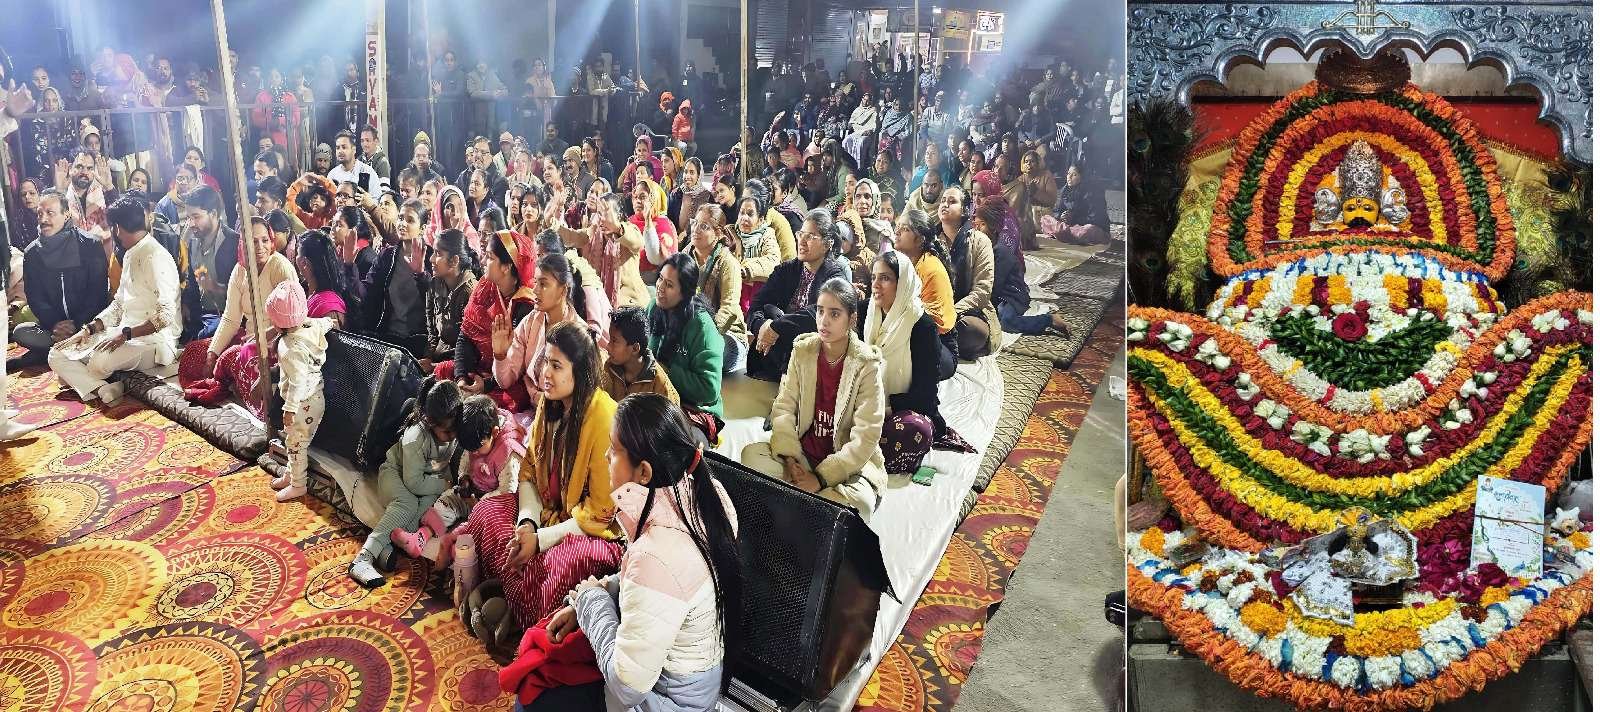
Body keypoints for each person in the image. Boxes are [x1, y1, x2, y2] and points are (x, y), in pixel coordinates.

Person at [532, 393, 742, 712]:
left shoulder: (657, 551)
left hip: (671, 701)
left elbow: (626, 688)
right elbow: (658, 586)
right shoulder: (701, 495)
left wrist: (592, 600)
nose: (606, 456)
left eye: (614, 449)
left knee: (536, 696)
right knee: (550, 662)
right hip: (691, 681)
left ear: (644, 472)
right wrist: (594, 596)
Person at [460, 321, 624, 627]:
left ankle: (518, 610)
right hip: (547, 516)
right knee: (485, 512)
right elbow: (530, 471)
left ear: (580, 372)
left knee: (560, 565)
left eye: (556, 366)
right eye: (546, 361)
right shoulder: (550, 404)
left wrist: (541, 540)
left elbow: (600, 512)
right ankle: (514, 599)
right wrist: (527, 524)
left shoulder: (605, 418)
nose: (545, 373)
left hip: (591, 533)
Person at [741, 278, 885, 515]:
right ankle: (810, 503)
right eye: (820, 311)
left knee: (861, 503)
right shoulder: (803, 350)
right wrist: (790, 459)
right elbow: (784, 407)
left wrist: (820, 478)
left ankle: (801, 499)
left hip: (845, 467)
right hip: (803, 455)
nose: (824, 321)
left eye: (834, 314)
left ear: (852, 319)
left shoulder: (866, 365)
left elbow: (866, 436)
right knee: (751, 457)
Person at [47, 195, 174, 404]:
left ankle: (83, 380)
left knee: (99, 362)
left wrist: (126, 334)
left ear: (117, 228)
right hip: (122, 334)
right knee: (57, 353)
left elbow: (166, 316)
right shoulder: (131, 253)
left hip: (154, 342)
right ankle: (103, 389)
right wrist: (89, 329)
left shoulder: (156, 256)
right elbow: (118, 305)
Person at [349, 376, 463, 587]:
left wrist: (442, 483)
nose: (452, 436)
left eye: (455, 430)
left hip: (424, 480)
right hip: (395, 474)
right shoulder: (415, 438)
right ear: (431, 422)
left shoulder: (451, 431)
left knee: (429, 504)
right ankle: (363, 559)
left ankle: (387, 548)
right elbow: (414, 483)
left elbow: (437, 471)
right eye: (447, 431)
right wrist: (444, 483)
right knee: (407, 504)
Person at [183, 215, 296, 415]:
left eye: (264, 240)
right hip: (248, 338)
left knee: (232, 356)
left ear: (271, 240)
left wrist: (262, 339)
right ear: (243, 243)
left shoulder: (280, 266)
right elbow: (230, 318)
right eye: (253, 241)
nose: (260, 247)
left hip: (276, 344)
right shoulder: (240, 270)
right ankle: (229, 382)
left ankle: (239, 389)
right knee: (196, 351)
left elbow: (293, 320)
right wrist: (212, 353)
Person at [864, 251, 955, 474]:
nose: (876, 285)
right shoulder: (867, 313)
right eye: (874, 277)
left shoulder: (922, 327)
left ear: (903, 283)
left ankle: (865, 452)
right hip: (867, 405)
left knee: (914, 429)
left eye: (885, 278)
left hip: (902, 410)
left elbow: (925, 396)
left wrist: (884, 410)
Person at [745, 209, 850, 382]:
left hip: (812, 358)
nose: (802, 241)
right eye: (801, 234)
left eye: (810, 236)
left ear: (827, 244)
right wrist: (762, 326)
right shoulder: (785, 270)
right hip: (775, 355)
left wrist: (776, 327)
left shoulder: (835, 277)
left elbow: (818, 314)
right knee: (769, 310)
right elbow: (756, 305)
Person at [491, 250, 604, 410]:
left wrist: (541, 401)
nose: (535, 290)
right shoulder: (531, 321)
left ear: (563, 290)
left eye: (543, 284)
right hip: (533, 408)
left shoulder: (578, 335)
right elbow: (505, 381)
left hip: (562, 413)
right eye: (535, 282)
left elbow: (579, 396)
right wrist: (500, 355)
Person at [448, 230, 537, 410]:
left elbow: (520, 367)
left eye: (489, 257)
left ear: (506, 267)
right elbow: (465, 336)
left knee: (511, 398)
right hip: (478, 371)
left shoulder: (526, 305)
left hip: (505, 380)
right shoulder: (484, 287)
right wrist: (462, 379)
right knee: (445, 374)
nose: (482, 261)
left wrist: (486, 385)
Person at [264, 279, 332, 502]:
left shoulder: (290, 348)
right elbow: (326, 323)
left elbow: (298, 381)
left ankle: (298, 484)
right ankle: (290, 474)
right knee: (293, 441)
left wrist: (289, 409)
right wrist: (331, 322)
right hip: (315, 397)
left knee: (296, 444)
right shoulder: (311, 326)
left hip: (302, 403)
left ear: (278, 323)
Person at [648, 253, 724, 435]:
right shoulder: (654, 307)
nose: (660, 287)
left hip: (696, 410)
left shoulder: (701, 326)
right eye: (660, 278)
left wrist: (665, 371)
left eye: (669, 285)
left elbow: (709, 389)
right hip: (661, 398)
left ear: (685, 293)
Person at [974, 196, 1069, 337]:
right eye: (975, 225)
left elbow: (995, 286)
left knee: (1007, 321)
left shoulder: (1001, 251)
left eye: (981, 225)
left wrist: (979, 304)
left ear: (993, 227)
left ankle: (1049, 320)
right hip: (992, 294)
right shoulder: (981, 245)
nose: (976, 229)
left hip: (1011, 295)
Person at [938, 187, 1003, 360]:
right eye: (943, 201)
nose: (945, 205)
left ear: (965, 210)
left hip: (966, 311)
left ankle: (935, 339)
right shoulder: (931, 241)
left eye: (952, 201)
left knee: (973, 331)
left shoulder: (980, 241)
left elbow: (982, 292)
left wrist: (951, 312)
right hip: (935, 308)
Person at [684, 204, 747, 373]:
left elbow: (729, 308)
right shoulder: (685, 256)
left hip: (726, 335)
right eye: (694, 223)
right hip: (691, 330)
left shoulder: (727, 262)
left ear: (718, 233)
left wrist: (703, 335)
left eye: (704, 226)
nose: (695, 229)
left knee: (708, 353)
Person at [896, 209, 958, 375]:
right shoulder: (904, 263)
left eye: (905, 229)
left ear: (920, 240)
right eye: (898, 227)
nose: (897, 232)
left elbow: (931, 323)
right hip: (913, 336)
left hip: (939, 345)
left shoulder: (930, 268)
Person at [558, 192, 647, 308]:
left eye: (606, 214)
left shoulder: (628, 229)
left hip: (629, 306)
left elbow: (638, 243)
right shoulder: (593, 232)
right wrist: (552, 221)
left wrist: (616, 227)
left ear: (618, 215)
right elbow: (572, 236)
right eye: (599, 213)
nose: (602, 219)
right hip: (599, 303)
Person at [176, 186, 237, 340]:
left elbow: (244, 293)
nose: (191, 223)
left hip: (228, 319)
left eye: (196, 217)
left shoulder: (233, 243)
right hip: (202, 316)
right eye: (189, 218)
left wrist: (216, 288)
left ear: (214, 214)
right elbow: (192, 282)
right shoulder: (193, 241)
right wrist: (186, 304)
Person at [422, 228, 479, 371]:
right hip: (438, 359)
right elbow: (432, 332)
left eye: (438, 254)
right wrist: (428, 358)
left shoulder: (470, 293)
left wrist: (435, 367)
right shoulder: (435, 284)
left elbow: (470, 351)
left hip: (459, 368)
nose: (431, 259)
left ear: (454, 261)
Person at [601, 305, 679, 404]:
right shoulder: (610, 367)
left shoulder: (660, 386)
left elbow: (669, 413)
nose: (608, 347)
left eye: (614, 341)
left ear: (635, 349)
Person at [293, 228, 353, 330]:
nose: (295, 258)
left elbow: (333, 339)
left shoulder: (329, 308)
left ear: (304, 263)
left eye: (297, 253)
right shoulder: (310, 292)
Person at [1041, 163, 1108, 245]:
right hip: (1071, 226)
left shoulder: (1093, 193)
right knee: (1045, 219)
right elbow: (1057, 210)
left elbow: (1096, 218)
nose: (1069, 177)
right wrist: (1061, 216)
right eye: (1068, 173)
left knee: (1087, 230)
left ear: (1083, 177)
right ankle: (1066, 234)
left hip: (1090, 227)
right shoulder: (1065, 190)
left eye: (1074, 175)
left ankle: (1064, 233)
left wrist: (1073, 218)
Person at [1004, 150, 1059, 250]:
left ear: (1038, 163)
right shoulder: (1020, 179)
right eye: (1026, 161)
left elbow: (1052, 201)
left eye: (1032, 161)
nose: (1029, 164)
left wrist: (1036, 192)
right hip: (1027, 218)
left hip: (1044, 216)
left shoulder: (1046, 176)